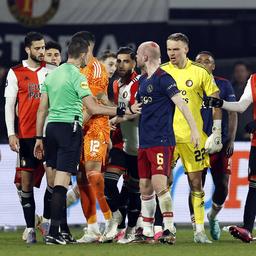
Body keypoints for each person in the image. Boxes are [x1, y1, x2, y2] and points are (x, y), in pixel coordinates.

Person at [34, 37, 140, 245]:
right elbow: (94, 107)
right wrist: (121, 110)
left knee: (64, 181)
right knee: (64, 183)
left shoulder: (51, 75)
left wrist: (39, 138)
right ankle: (56, 231)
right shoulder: (76, 75)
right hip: (71, 128)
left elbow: (41, 109)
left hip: (51, 129)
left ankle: (63, 231)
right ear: (83, 54)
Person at [135, 41, 199, 244]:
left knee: (159, 183)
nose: (136, 57)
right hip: (144, 141)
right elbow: (139, 108)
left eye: (138, 54)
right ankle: (145, 230)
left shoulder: (165, 79)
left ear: (145, 57)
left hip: (161, 140)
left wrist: (194, 131)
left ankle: (169, 229)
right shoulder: (143, 80)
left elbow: (182, 105)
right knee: (144, 186)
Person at [160, 33, 222, 243]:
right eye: (168, 49)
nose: (171, 53)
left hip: (193, 137)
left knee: (196, 183)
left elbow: (215, 99)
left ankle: (199, 231)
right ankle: (167, 228)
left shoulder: (200, 72)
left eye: (176, 49)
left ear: (186, 49)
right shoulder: (162, 71)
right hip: (166, 137)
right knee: (163, 182)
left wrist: (216, 131)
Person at [4, 31, 48, 244]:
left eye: (43, 48)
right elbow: (9, 105)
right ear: (27, 49)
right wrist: (11, 133)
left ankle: (51, 224)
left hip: (49, 135)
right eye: (38, 48)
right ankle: (30, 227)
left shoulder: (51, 72)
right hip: (27, 136)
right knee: (26, 183)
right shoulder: (16, 72)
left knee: (55, 180)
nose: (42, 52)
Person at [189, 51, 237, 240]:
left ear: (213, 66)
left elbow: (233, 112)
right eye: (198, 61)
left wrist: (231, 140)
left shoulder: (223, 84)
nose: (202, 64)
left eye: (206, 61)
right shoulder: (189, 83)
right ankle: (196, 229)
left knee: (223, 186)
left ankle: (213, 216)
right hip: (196, 142)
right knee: (196, 184)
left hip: (220, 143)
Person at [204, 72, 256, 243]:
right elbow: (241, 106)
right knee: (254, 186)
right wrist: (221, 103)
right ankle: (247, 229)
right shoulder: (254, 79)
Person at [104, 47, 141, 243]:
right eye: (118, 61)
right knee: (108, 182)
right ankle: (117, 217)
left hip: (138, 145)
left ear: (134, 63)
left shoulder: (140, 82)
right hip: (121, 143)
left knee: (132, 190)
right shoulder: (116, 84)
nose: (121, 65)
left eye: (125, 61)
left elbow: (138, 111)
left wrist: (115, 120)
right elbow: (122, 109)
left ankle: (131, 229)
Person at [231, 61, 252, 141]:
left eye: (242, 71)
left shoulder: (253, 88)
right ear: (234, 74)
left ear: (247, 72)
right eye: (237, 71)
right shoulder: (230, 89)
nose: (239, 74)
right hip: (234, 133)